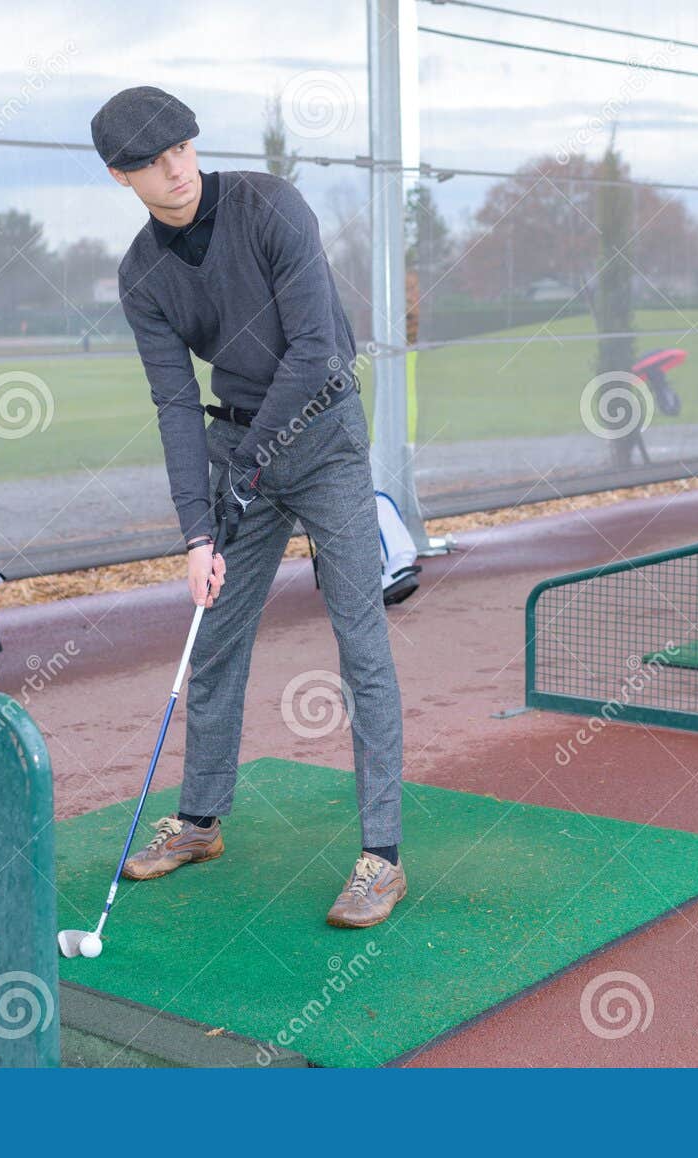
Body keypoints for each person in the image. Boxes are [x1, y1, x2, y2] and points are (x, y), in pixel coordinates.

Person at [92, 86, 407, 928]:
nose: (178, 170)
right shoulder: (141, 276)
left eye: (185, 150)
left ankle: (382, 856)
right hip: (240, 456)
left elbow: (317, 352)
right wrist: (198, 530)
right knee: (216, 633)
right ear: (123, 177)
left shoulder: (272, 207)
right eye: (155, 164)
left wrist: (250, 466)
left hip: (326, 439)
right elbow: (173, 405)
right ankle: (200, 822)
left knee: (358, 637)